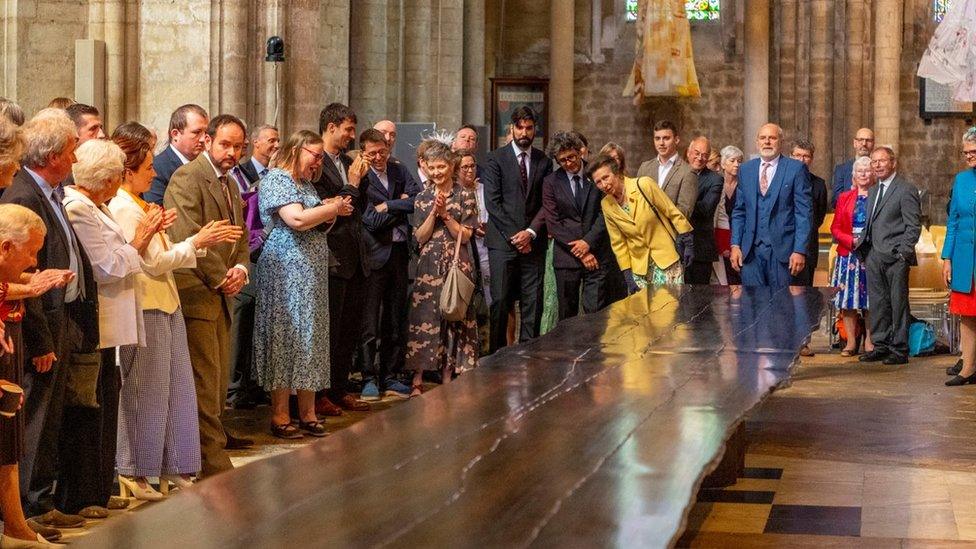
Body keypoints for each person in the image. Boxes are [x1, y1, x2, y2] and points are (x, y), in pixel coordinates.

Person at [108, 122, 243, 499]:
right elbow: (153, 262)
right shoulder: (121, 205)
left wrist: (189, 242)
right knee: (144, 395)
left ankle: (173, 466)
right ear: (127, 171)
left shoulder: (140, 203)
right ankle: (135, 470)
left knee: (174, 393)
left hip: (166, 302)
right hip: (146, 302)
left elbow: (161, 252)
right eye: (148, 169)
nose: (154, 175)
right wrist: (198, 242)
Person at [0, 109, 99, 530]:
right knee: (31, 419)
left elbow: (41, 267)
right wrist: (40, 339)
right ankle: (25, 507)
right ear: (53, 154)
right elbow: (23, 275)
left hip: (58, 317)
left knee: (48, 416)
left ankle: (38, 501)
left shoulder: (50, 192)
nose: (76, 161)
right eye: (72, 151)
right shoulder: (21, 194)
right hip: (31, 325)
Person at [62, 139, 166, 515]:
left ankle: (100, 489)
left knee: (107, 401)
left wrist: (134, 246)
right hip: (96, 320)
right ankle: (85, 493)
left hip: (112, 320)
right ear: (105, 179)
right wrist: (139, 241)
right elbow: (105, 266)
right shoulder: (78, 208)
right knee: (92, 408)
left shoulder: (96, 206)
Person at [163, 114, 251, 477]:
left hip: (220, 294)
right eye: (225, 144)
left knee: (215, 385)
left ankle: (209, 457)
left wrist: (241, 269)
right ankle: (210, 461)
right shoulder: (187, 178)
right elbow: (188, 232)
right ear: (208, 141)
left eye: (238, 147)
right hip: (197, 293)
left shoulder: (229, 184)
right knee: (203, 382)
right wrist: (220, 277)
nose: (231, 153)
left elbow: (240, 235)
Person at [254, 130, 352, 438]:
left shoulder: (304, 183)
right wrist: (332, 208)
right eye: (316, 155)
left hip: (310, 272)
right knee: (286, 338)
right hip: (284, 272)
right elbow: (296, 219)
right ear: (297, 150)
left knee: (310, 338)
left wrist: (331, 210)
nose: (319, 162)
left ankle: (308, 413)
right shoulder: (276, 179)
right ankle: (281, 415)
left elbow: (317, 222)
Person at [0, 195, 73, 544]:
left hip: (10, 349)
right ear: (4, 247)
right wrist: (32, 287)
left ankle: (16, 526)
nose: (34, 261)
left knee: (9, 442)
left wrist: (29, 287)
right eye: (29, 252)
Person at [311, 103, 372, 415]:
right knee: (329, 331)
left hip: (355, 257)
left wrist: (360, 178)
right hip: (331, 257)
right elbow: (329, 206)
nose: (352, 136)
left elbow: (358, 205)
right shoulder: (316, 164)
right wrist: (352, 183)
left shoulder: (349, 161)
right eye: (348, 129)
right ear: (331, 127)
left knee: (349, 330)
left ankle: (339, 388)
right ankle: (320, 393)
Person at [406, 139, 479, 396]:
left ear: (451, 166)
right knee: (424, 317)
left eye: (441, 167)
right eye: (432, 168)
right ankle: (418, 376)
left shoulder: (465, 196)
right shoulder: (422, 197)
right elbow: (420, 237)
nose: (436, 172)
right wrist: (433, 213)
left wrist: (447, 214)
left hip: (456, 263)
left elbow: (467, 235)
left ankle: (448, 373)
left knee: (453, 317)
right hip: (428, 266)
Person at [482, 106, 552, 352]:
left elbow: (547, 202)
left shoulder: (544, 161)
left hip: (533, 243)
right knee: (501, 301)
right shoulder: (494, 159)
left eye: (529, 128)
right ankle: (496, 358)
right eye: (519, 127)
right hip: (502, 243)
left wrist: (530, 233)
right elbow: (493, 203)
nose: (524, 132)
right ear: (511, 128)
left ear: (535, 130)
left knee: (533, 302)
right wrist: (517, 236)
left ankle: (528, 356)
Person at [359, 129, 420, 400]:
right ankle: (368, 377)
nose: (378, 157)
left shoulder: (398, 170)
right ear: (363, 153)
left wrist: (388, 206)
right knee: (371, 320)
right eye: (372, 153)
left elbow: (419, 200)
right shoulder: (361, 179)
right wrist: (400, 206)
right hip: (375, 255)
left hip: (399, 253)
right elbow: (370, 221)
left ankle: (391, 376)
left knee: (395, 318)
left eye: (382, 151)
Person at [542, 132, 621, 320]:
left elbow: (605, 212)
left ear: (580, 152)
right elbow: (554, 223)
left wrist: (588, 243)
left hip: (597, 254)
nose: (568, 163)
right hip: (567, 257)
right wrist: (581, 251)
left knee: (595, 313)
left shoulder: (595, 175)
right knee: (567, 317)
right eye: (562, 160)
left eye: (571, 157)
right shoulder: (550, 182)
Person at [855, 146, 921, 366]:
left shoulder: (905, 189)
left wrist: (903, 253)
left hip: (895, 257)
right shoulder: (873, 190)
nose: (878, 165)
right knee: (878, 303)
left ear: (893, 163)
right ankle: (880, 345)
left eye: (882, 161)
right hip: (873, 254)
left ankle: (899, 348)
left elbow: (913, 226)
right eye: (874, 162)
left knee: (898, 303)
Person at [228, 124, 278, 411]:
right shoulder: (242, 173)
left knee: (254, 322)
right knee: (241, 319)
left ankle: (251, 384)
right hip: (243, 253)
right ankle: (235, 389)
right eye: (270, 139)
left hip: (257, 254)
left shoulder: (266, 175)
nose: (275, 144)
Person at [592, 155, 694, 289]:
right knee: (642, 310)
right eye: (598, 182)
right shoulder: (606, 204)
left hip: (666, 261)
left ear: (617, 173)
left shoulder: (644, 184)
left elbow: (671, 211)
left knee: (670, 308)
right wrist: (627, 274)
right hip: (639, 268)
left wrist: (687, 239)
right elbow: (618, 242)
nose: (604, 185)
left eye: (606, 177)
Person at [730, 123, 812, 287]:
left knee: (782, 307)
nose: (767, 142)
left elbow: (804, 214)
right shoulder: (746, 170)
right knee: (752, 307)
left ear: (781, 141)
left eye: (772, 138)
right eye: (763, 138)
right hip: (750, 252)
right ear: (757, 142)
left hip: (783, 253)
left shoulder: (795, 169)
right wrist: (735, 245)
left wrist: (799, 250)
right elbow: (739, 212)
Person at [831, 157, 876, 357]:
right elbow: (835, 228)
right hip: (848, 255)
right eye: (860, 171)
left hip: (872, 253)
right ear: (854, 176)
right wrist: (852, 241)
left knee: (871, 301)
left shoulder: (879, 196)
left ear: (873, 174)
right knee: (848, 302)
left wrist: (867, 241)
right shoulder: (844, 197)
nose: (864, 174)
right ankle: (850, 341)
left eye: (867, 170)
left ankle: (870, 340)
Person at [942, 128, 976, 384]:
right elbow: (953, 221)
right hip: (964, 256)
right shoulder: (961, 180)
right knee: (967, 312)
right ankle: (968, 366)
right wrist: (947, 258)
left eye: (973, 152)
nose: (968, 157)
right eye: (965, 153)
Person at [145, 104, 209, 205]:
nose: (203, 139)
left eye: (206, 133)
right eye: (196, 132)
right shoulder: (158, 167)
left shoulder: (206, 166)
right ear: (175, 134)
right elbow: (158, 210)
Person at [635, 120, 699, 219]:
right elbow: (636, 200)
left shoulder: (687, 172)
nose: (661, 143)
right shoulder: (645, 167)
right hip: (644, 231)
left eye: (666, 138)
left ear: (676, 140)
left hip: (671, 233)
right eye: (657, 138)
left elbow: (684, 212)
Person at [789, 139, 829, 287]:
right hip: (783, 246)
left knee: (804, 293)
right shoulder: (781, 180)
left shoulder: (819, 184)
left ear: (811, 159)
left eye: (806, 156)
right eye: (798, 155)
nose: (802, 160)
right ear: (791, 156)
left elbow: (819, 216)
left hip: (807, 246)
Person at [684, 136, 723, 284]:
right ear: (688, 152)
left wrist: (678, 201)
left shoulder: (715, 179)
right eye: (697, 153)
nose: (700, 158)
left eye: (705, 155)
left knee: (698, 301)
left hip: (699, 249)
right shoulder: (675, 174)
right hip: (672, 248)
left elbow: (706, 209)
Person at [714, 146, 743, 285]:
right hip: (720, 239)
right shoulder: (716, 184)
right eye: (732, 160)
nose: (737, 164)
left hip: (740, 239)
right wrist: (724, 243)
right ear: (723, 164)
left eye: (739, 161)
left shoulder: (744, 184)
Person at [831, 128, 875, 208]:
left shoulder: (878, 169)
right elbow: (835, 201)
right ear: (855, 143)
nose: (864, 144)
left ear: (873, 144)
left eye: (868, 140)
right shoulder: (842, 169)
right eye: (861, 140)